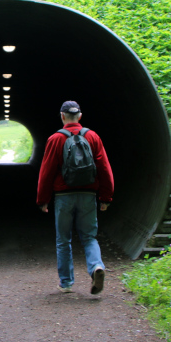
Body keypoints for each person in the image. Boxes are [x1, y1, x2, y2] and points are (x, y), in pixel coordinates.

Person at [36, 100, 114, 295]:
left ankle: (66, 283)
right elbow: (104, 168)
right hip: (88, 195)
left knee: (63, 240)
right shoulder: (93, 137)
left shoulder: (55, 139)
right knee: (89, 237)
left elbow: (47, 172)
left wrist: (42, 199)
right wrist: (106, 197)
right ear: (80, 116)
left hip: (63, 196)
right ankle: (96, 267)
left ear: (62, 116)